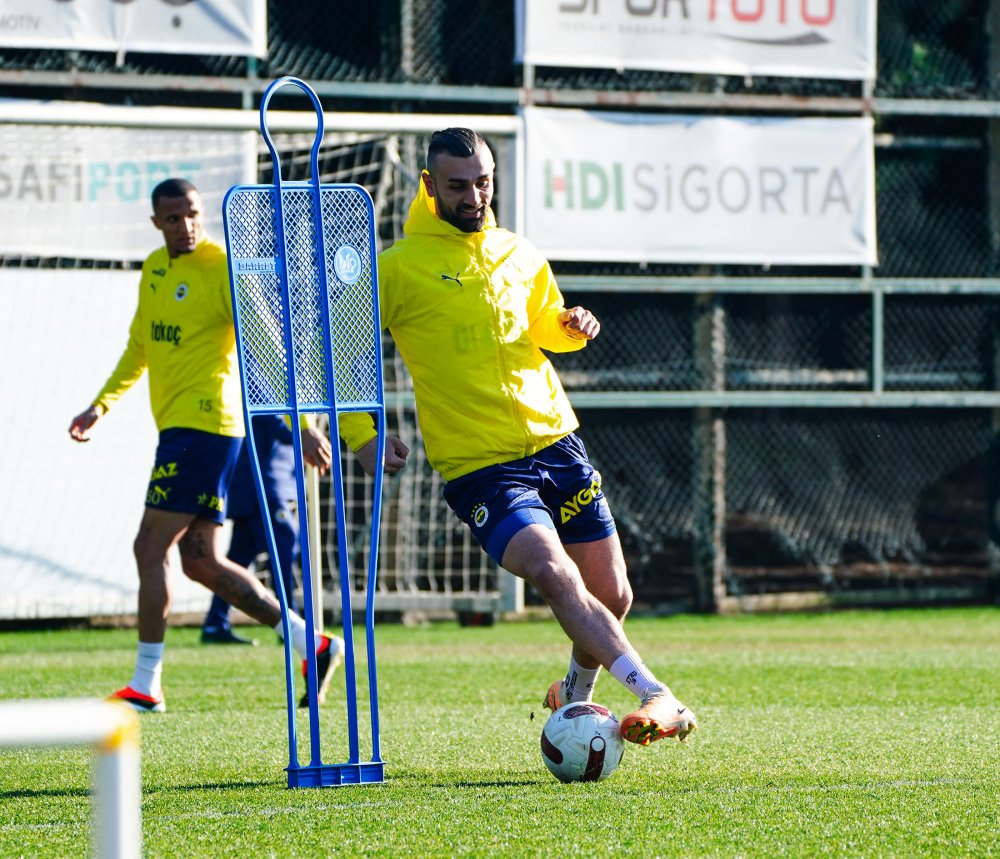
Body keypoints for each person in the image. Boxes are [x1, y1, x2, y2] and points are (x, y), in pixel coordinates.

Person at [339, 128, 697, 747]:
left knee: (613, 592)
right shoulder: (394, 268)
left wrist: (570, 325)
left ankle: (573, 700)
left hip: (557, 441)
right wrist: (361, 434)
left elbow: (541, 327)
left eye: (483, 181)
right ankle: (654, 693)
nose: (474, 194)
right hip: (481, 465)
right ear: (428, 186)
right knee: (555, 573)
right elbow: (339, 349)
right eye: (458, 185)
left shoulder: (520, 251)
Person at [68, 178, 343, 713]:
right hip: (181, 430)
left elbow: (269, 349)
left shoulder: (223, 268)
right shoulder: (154, 269)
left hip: (206, 430)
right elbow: (139, 347)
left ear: (202, 214)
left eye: (193, 214)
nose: (185, 225)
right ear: (156, 224)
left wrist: (305, 422)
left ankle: (146, 683)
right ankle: (311, 642)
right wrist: (100, 405)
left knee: (149, 547)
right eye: (173, 218)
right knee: (199, 561)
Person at [200, 415, 300, 646]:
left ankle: (215, 622)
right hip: (262, 484)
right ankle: (291, 624)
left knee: (238, 557)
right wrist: (306, 433)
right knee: (283, 545)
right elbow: (274, 421)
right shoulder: (263, 381)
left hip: (265, 481)